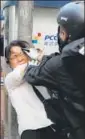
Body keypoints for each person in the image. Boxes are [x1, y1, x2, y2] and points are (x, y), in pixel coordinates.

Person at [23, 1, 85, 139]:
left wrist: (34, 60)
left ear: (67, 33)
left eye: (62, 30)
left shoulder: (60, 64)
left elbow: (32, 75)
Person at [4, 40, 64, 139]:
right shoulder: (10, 79)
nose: (19, 58)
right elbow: (22, 71)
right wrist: (38, 58)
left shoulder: (38, 71)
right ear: (9, 62)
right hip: (31, 129)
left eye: (22, 53)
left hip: (52, 125)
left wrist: (42, 60)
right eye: (14, 56)